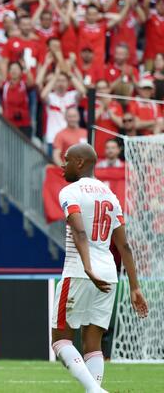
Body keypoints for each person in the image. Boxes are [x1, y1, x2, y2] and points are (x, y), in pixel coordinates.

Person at [51, 143, 148, 391]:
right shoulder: (109, 195)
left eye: (67, 159)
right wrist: (135, 287)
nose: (63, 165)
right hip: (109, 274)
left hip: (80, 271)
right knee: (92, 345)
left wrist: (86, 267)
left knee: (60, 341)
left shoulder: (70, 192)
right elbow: (124, 245)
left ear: (80, 162)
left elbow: (79, 231)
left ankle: (95, 390)